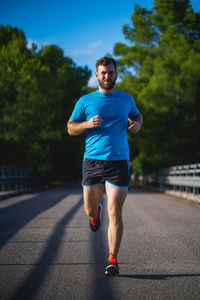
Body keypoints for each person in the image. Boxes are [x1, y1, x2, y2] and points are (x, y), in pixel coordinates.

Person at [67, 57, 143, 276]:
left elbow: (137, 115)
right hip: (92, 160)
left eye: (111, 72)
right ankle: (94, 213)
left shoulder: (126, 99)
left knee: (115, 210)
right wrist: (87, 124)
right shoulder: (85, 101)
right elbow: (70, 128)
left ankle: (112, 259)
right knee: (89, 209)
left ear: (116, 74)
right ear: (97, 75)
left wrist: (137, 123)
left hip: (119, 161)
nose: (107, 76)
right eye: (103, 73)